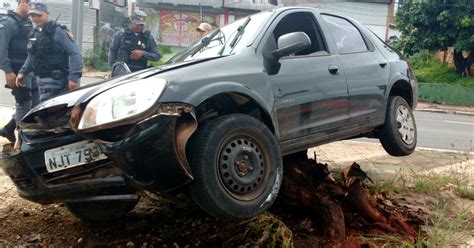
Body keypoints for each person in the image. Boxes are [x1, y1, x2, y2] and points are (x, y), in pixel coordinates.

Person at [17, 0, 83, 103]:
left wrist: (73, 78)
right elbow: (32, 55)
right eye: (33, 16)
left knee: (51, 115)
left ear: (47, 14)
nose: (35, 19)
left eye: (39, 15)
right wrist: (22, 72)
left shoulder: (58, 31)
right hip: (41, 81)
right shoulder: (34, 33)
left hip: (57, 82)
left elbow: (75, 53)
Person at [0, 0, 38, 143]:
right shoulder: (8, 22)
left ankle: (9, 129)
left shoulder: (27, 22)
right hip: (16, 71)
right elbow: (1, 49)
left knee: (36, 104)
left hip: (30, 69)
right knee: (24, 104)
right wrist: (8, 71)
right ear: (23, 2)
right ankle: (23, 141)